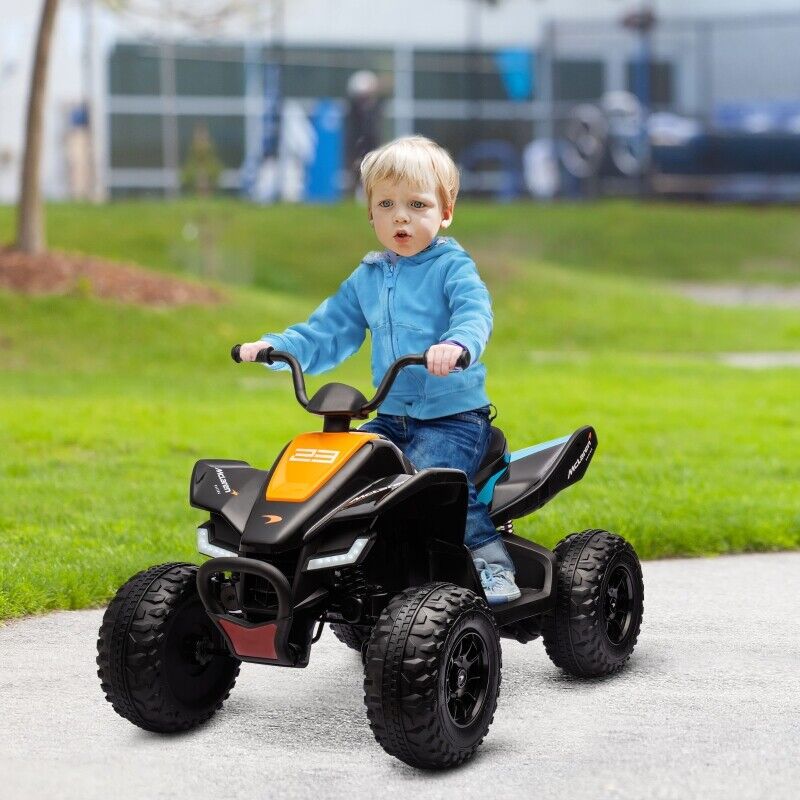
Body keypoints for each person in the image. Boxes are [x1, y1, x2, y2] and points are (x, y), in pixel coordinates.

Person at [238, 135, 520, 604]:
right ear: (371, 214)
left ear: (445, 211)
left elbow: (475, 312)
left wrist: (455, 344)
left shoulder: (452, 267)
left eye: (416, 203)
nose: (400, 216)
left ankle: (492, 565)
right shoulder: (367, 277)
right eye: (386, 204)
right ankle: (351, 573)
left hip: (452, 417)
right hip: (389, 415)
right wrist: (277, 347)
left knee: (433, 483)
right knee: (345, 480)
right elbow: (327, 330)